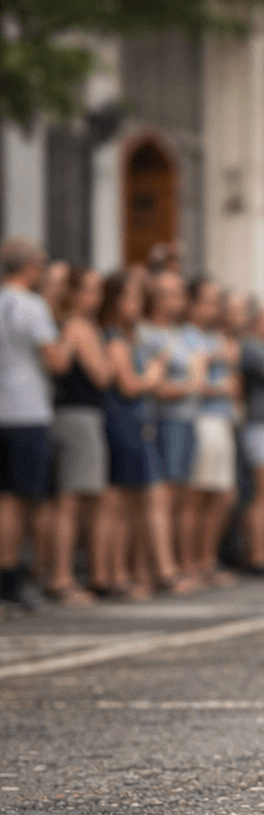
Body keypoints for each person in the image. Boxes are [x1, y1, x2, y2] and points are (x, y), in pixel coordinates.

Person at [0, 238, 73, 609]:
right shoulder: (31, 306)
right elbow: (56, 361)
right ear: (28, 267)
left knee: (7, 498)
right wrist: (70, 344)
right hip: (27, 410)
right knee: (25, 498)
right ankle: (16, 573)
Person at [97, 269, 170, 601]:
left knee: (133, 503)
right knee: (119, 503)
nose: (137, 304)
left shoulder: (131, 337)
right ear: (115, 301)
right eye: (130, 297)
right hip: (122, 422)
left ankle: (128, 573)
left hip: (137, 422)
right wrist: (154, 375)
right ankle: (112, 575)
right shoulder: (113, 337)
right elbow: (128, 385)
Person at [50, 267, 114, 605]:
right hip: (79, 417)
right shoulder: (78, 326)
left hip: (71, 415)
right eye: (89, 289)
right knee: (72, 501)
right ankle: (62, 578)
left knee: (75, 501)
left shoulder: (65, 324)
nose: (96, 297)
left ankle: (72, 575)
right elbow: (102, 375)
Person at [139, 269, 203, 594]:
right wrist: (189, 385)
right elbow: (155, 384)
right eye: (172, 293)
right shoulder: (146, 334)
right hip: (162, 420)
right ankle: (160, 569)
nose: (178, 300)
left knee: (179, 496)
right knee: (159, 496)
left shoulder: (183, 334)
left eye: (180, 293)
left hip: (187, 418)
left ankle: (174, 563)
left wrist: (193, 384)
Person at [185, 279, 240, 587]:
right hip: (202, 419)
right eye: (208, 301)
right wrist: (220, 384)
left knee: (223, 495)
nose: (215, 308)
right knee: (199, 494)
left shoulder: (219, 338)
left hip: (224, 418)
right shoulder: (188, 338)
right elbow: (196, 382)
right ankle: (190, 561)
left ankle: (207, 559)